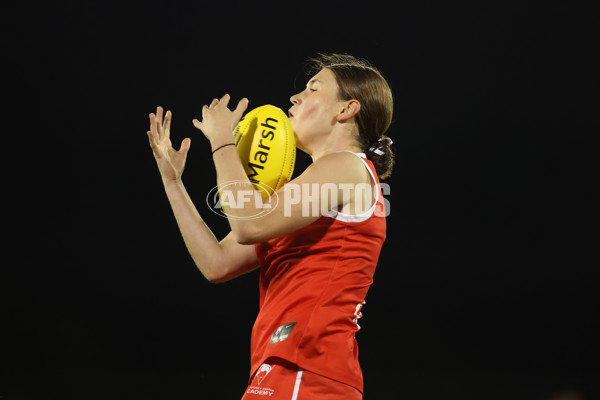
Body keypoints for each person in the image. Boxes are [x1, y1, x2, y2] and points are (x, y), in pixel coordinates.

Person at [146, 54, 394, 400]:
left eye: (313, 89)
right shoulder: (310, 188)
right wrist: (173, 183)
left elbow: (250, 224)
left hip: (307, 370)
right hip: (281, 369)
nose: (295, 97)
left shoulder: (348, 167)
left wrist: (222, 140)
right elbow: (217, 263)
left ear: (346, 110)